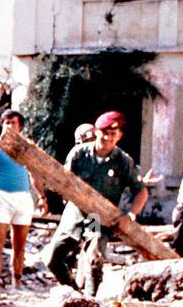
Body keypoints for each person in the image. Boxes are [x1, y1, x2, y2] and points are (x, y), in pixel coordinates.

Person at [45, 110, 149, 288]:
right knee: (53, 259)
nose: (108, 138)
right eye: (104, 133)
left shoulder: (122, 161)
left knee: (94, 259)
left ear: (119, 136)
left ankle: (92, 302)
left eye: (113, 134)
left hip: (97, 217)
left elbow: (141, 192)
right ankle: (74, 293)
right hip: (75, 213)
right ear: (96, 132)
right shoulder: (79, 153)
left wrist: (130, 215)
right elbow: (63, 180)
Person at [0, 110, 44, 298]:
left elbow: (35, 174)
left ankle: (17, 283)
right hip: (0, 197)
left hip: (23, 198)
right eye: (6, 122)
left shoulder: (26, 147)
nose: (9, 125)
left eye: (13, 122)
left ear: (19, 125)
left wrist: (42, 198)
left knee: (20, 244)